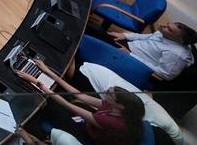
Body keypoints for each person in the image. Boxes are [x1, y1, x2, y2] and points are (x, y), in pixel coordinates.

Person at [16, 62, 144, 145]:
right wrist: (48, 71)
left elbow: (69, 106)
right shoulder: (116, 107)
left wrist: (38, 83)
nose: (106, 92)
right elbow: (80, 95)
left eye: (110, 94)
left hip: (85, 137)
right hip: (87, 124)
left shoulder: (113, 122)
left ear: (120, 106)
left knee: (50, 102)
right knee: (57, 94)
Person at [106, 22, 196, 81]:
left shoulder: (177, 54)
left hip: (131, 60)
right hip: (127, 48)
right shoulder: (163, 33)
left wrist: (131, 55)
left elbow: (164, 74)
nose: (163, 25)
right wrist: (125, 35)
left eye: (169, 29)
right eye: (167, 24)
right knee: (97, 33)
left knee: (96, 39)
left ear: (179, 40)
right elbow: (144, 37)